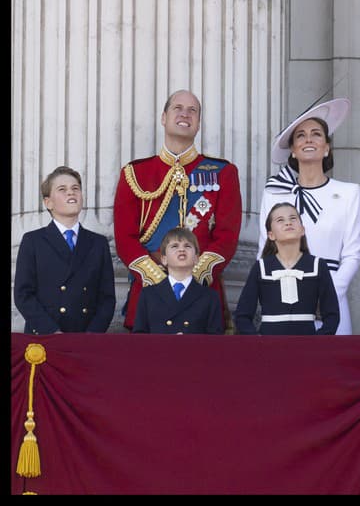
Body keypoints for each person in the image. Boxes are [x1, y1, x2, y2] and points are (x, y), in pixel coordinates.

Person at [113, 89, 242, 332]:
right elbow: (124, 237)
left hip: (202, 296)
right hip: (149, 294)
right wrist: (158, 278)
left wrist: (195, 275)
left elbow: (227, 235)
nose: (185, 114)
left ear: (199, 123)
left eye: (192, 110)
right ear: (164, 118)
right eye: (178, 108)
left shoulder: (223, 173)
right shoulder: (135, 173)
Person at [258, 97, 360, 335]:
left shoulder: (348, 193)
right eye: (301, 135)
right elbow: (264, 252)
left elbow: (352, 254)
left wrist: (326, 295)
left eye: (316, 134)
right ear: (292, 150)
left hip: (332, 299)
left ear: (327, 147)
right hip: (284, 297)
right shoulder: (274, 193)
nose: (308, 139)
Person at [14, 166, 116, 335]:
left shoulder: (98, 243)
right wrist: (51, 331)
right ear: (48, 202)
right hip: (45, 336)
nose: (71, 193)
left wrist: (91, 335)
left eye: (75, 188)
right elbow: (23, 295)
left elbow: (106, 298)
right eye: (62, 189)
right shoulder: (33, 241)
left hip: (85, 339)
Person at [235, 202, 339, 335]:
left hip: (307, 348)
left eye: (293, 218)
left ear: (302, 229)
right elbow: (242, 315)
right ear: (271, 235)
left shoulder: (318, 266)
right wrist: (257, 340)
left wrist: (318, 341)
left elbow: (332, 315)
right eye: (280, 220)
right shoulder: (260, 268)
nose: (288, 223)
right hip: (269, 347)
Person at [132, 228, 224, 334]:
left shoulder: (210, 297)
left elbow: (215, 341)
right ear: (164, 259)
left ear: (196, 258)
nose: (181, 250)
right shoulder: (148, 295)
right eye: (174, 246)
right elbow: (140, 338)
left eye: (187, 246)